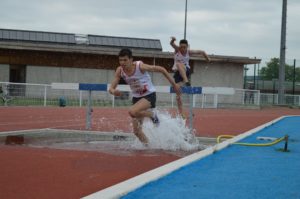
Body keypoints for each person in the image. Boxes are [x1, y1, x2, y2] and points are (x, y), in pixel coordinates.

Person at [109, 48, 181, 144]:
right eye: (120, 60)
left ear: (131, 60)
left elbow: (161, 69)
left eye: (125, 60)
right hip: (136, 99)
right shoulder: (120, 70)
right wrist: (114, 91)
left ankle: (152, 115)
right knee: (137, 132)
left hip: (149, 96)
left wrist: (174, 85)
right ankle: (148, 146)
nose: (122, 63)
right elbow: (111, 88)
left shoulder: (140, 67)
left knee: (132, 111)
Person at [170, 36, 210, 117]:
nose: (182, 49)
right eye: (181, 47)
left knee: (179, 64)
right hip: (178, 73)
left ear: (187, 47)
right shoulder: (177, 49)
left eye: (184, 47)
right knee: (178, 95)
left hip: (186, 70)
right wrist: (173, 40)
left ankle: (186, 80)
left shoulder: (189, 52)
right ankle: (181, 113)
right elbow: (172, 44)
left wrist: (208, 59)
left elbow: (202, 52)